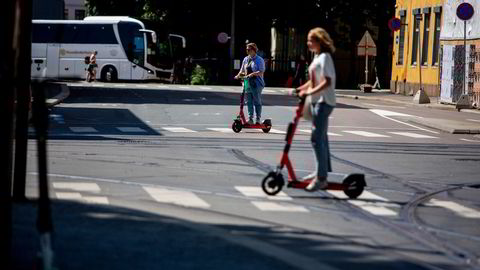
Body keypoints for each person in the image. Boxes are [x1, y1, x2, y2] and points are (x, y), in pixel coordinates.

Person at [296, 27, 336, 191]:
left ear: (319, 41)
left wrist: (310, 92)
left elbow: (326, 81)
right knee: (322, 138)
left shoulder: (325, 57)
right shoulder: (317, 57)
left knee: (316, 138)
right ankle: (321, 172)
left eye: (310, 40)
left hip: (324, 102)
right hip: (316, 101)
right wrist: (300, 89)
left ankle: (321, 178)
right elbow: (313, 80)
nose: (308, 43)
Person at [234, 43, 266, 124]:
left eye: (249, 49)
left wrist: (253, 74)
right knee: (249, 101)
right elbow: (242, 70)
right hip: (247, 83)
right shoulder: (246, 59)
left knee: (257, 101)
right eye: (247, 49)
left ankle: (258, 118)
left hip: (257, 83)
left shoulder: (259, 60)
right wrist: (238, 75)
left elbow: (261, 71)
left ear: (254, 50)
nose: (247, 51)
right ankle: (250, 118)